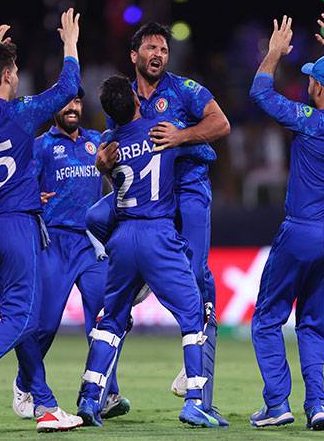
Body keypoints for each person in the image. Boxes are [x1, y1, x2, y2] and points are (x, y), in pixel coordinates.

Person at [0, 10, 84, 432]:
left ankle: (44, 405)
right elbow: (68, 88)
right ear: (6, 75)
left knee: (15, 318)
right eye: (15, 70)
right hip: (18, 227)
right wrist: (71, 44)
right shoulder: (21, 114)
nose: (18, 76)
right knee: (24, 319)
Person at [88, 22, 230, 425]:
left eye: (164, 50)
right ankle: (105, 390)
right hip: (144, 211)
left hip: (188, 194)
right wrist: (102, 164)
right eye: (151, 48)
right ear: (134, 56)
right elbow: (108, 159)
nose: (158, 55)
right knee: (114, 299)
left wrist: (182, 136)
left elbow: (222, 124)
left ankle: (200, 391)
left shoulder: (184, 90)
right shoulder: (124, 100)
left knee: (200, 282)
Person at [248, 13, 324, 430]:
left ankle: (277, 403)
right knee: (316, 326)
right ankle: (317, 404)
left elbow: (260, 92)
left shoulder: (309, 121)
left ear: (317, 86)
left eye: (310, 80)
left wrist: (273, 53)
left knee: (267, 318)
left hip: (301, 231)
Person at [11, 91, 130, 420]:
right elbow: (18, 186)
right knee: (46, 325)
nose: (72, 108)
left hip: (92, 245)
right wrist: (34, 197)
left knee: (106, 321)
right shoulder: (41, 146)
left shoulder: (96, 141)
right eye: (66, 104)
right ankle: (25, 384)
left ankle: (106, 392)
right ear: (54, 110)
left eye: (77, 102)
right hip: (55, 243)